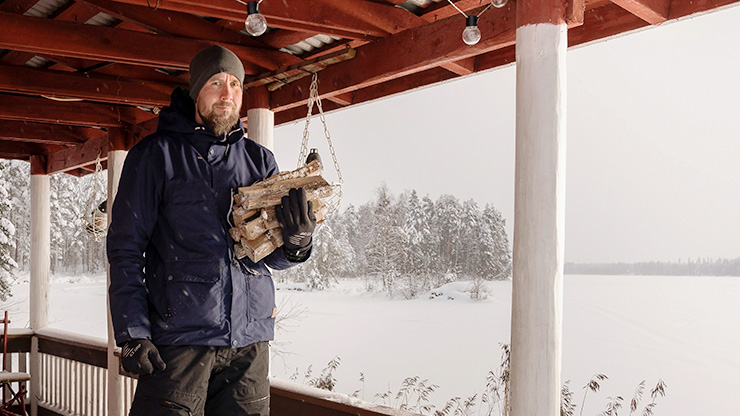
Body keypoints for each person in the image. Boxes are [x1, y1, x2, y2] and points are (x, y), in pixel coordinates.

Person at [107, 45, 316, 416]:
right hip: (179, 343)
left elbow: (270, 254)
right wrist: (132, 333)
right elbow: (125, 249)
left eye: (235, 84)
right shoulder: (156, 156)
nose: (227, 94)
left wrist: (297, 243)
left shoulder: (259, 160)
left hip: (249, 345)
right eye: (216, 83)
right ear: (194, 92)